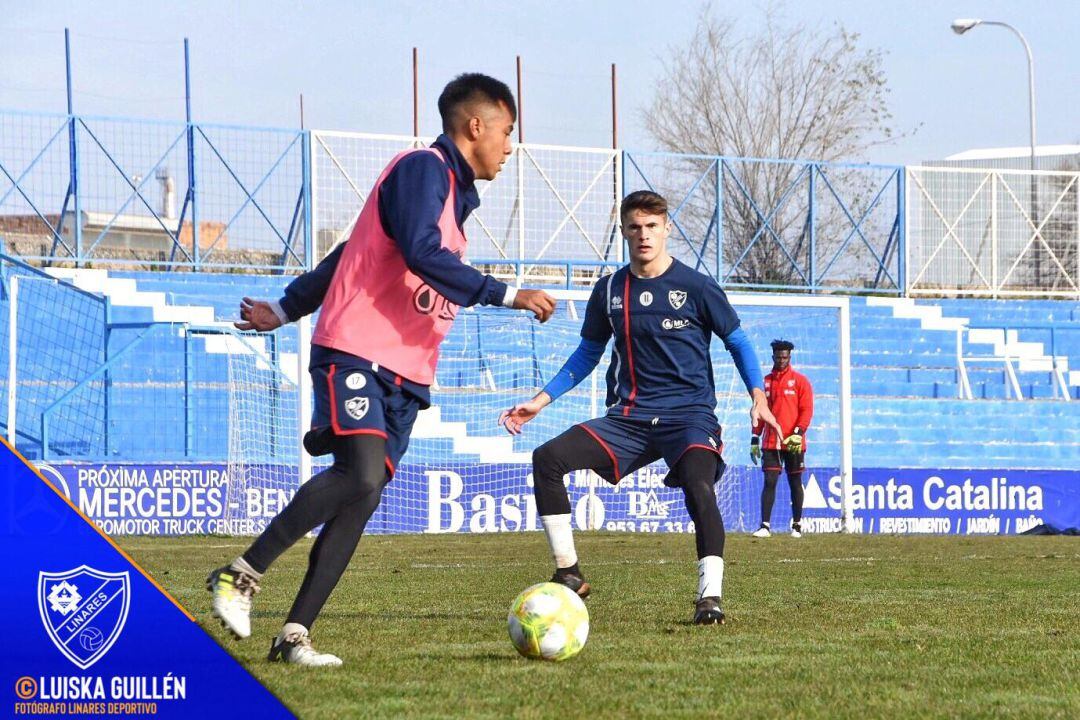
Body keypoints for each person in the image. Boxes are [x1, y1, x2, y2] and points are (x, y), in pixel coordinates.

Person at [207, 73, 556, 666]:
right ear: (477, 125)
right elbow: (420, 252)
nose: (509, 146)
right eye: (507, 131)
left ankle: (294, 635)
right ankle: (239, 575)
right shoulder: (424, 169)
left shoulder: (451, 198)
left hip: (406, 372)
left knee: (361, 498)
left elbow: (353, 252)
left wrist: (288, 305)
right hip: (358, 351)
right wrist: (506, 294)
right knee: (362, 474)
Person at [498, 190, 781, 626]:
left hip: (689, 416)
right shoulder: (610, 290)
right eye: (635, 226)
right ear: (624, 231)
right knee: (547, 458)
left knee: (698, 485)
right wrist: (539, 401)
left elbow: (738, 341)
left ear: (667, 228)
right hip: (628, 419)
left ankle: (710, 598)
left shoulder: (697, 287)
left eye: (652, 226)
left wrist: (758, 396)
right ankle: (569, 573)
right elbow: (586, 355)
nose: (643, 234)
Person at [750, 339, 814, 538]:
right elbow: (760, 411)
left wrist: (798, 432)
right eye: (778, 357)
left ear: (790, 357)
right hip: (771, 441)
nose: (781, 361)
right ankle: (765, 526)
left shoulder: (801, 381)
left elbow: (807, 410)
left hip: (794, 441)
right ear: (773, 357)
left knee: (795, 481)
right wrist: (754, 438)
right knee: (769, 481)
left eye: (785, 357)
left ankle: (796, 526)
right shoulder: (765, 383)